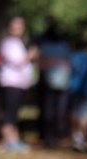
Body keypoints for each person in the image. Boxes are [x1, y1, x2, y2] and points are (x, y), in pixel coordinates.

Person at [0, 17, 37, 152]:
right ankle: (8, 140)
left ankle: (14, 139)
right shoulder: (8, 43)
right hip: (11, 83)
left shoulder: (19, 43)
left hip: (19, 84)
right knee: (10, 112)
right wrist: (30, 55)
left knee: (14, 113)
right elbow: (17, 61)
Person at [35, 19, 71, 149]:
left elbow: (42, 64)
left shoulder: (46, 47)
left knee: (49, 111)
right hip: (60, 84)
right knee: (57, 111)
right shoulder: (65, 47)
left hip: (50, 83)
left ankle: (50, 137)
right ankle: (55, 137)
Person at [68, 42, 87, 152]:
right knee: (85, 117)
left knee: (74, 115)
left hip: (73, 88)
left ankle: (75, 139)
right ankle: (82, 140)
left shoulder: (71, 57)